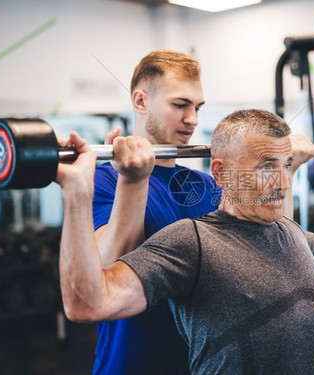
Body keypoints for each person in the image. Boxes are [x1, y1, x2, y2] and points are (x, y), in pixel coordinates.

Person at [56, 108, 314, 374]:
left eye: (286, 165)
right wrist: (76, 191)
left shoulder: (291, 232)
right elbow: (89, 304)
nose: (283, 183)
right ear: (221, 173)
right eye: (266, 166)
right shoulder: (193, 242)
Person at [91, 50, 217, 374]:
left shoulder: (206, 185)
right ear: (141, 101)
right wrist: (132, 179)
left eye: (197, 108)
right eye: (180, 105)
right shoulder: (104, 179)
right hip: (132, 365)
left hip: (201, 364)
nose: (193, 119)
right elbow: (108, 272)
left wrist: (286, 166)